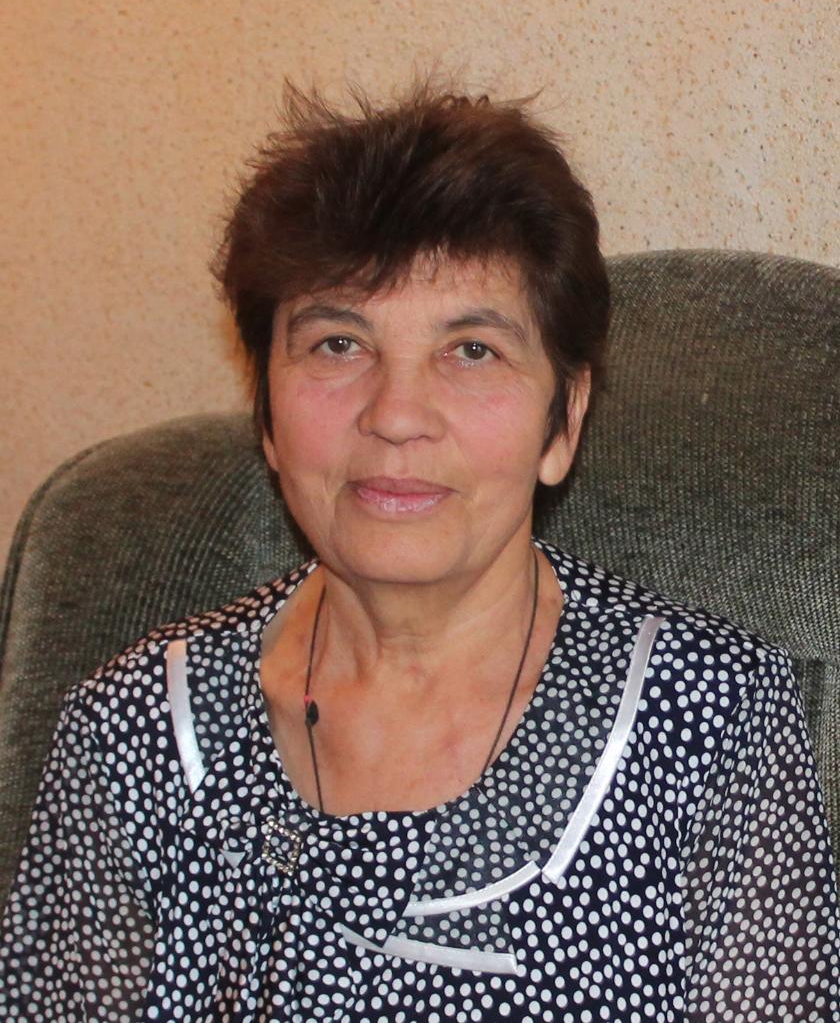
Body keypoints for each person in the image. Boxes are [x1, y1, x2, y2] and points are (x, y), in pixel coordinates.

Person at [1, 84, 837, 1022]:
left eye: (472, 350)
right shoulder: (129, 736)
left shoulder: (713, 719)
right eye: (338, 344)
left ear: (563, 420)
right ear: (267, 414)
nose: (396, 415)